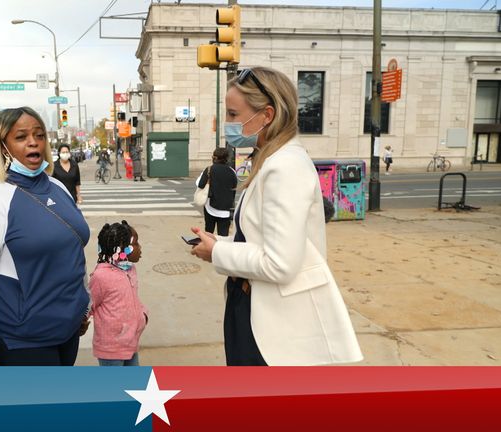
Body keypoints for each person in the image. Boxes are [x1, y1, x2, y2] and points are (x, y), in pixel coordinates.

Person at [189, 67, 362, 366]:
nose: (227, 123)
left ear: (266, 115)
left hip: (270, 326)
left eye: (232, 114)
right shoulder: (271, 159)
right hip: (253, 306)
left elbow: (280, 264)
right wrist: (221, 241)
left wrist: (218, 252)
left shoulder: (284, 166)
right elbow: (260, 236)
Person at [0, 107, 90, 366]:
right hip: (25, 341)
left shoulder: (58, 187)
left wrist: (83, 304)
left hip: (69, 331)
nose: (33, 142)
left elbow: (73, 250)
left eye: (39, 135)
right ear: (2, 146)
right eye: (21, 137)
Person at [89, 221, 147, 366]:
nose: (140, 247)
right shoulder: (101, 276)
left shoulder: (130, 269)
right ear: (122, 248)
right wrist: (80, 322)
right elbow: (89, 303)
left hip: (130, 342)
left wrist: (143, 314)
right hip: (111, 349)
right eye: (136, 243)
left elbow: (132, 298)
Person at [196, 147, 237, 236]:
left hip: (210, 206)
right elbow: (234, 189)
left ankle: (209, 248)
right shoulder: (232, 171)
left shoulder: (209, 170)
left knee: (209, 231)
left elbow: (200, 185)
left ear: (215, 157)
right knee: (223, 234)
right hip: (226, 208)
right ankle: (221, 248)